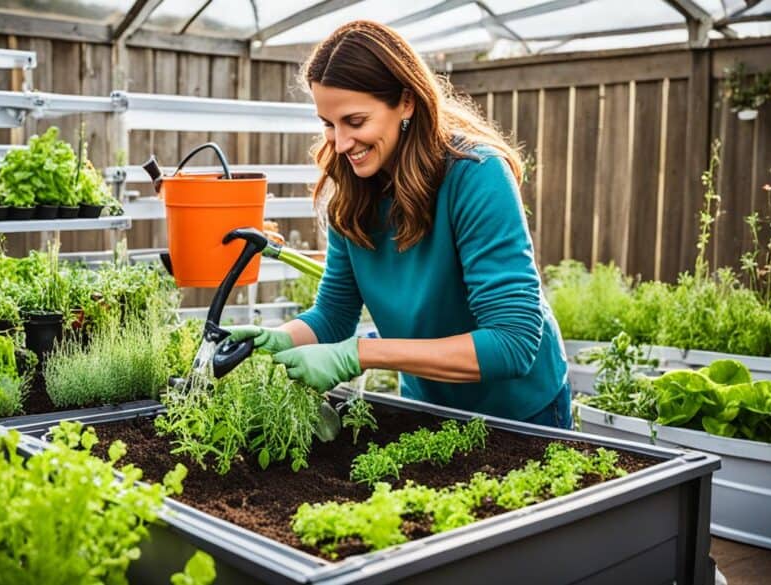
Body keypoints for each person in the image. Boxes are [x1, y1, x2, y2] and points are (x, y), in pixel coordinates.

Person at [228, 20, 571, 428]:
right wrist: (278, 339)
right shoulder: (351, 191)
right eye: (328, 123)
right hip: (430, 405)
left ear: (406, 102)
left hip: (519, 412)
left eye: (355, 122)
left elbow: (513, 343)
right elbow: (334, 315)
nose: (339, 143)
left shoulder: (477, 176)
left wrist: (359, 354)